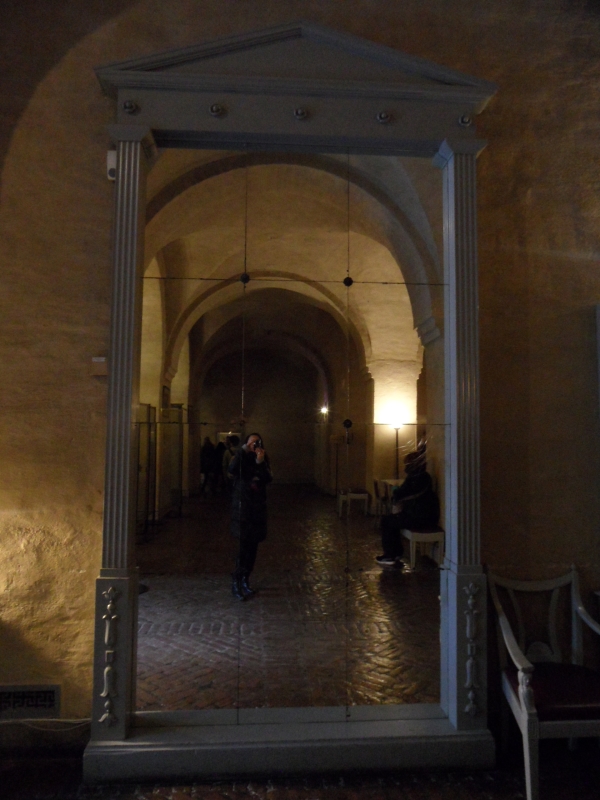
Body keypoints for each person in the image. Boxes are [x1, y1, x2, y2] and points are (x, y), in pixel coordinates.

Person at [375, 449, 440, 566]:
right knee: (390, 520)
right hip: (422, 514)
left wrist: (396, 493)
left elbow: (402, 493)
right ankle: (395, 553)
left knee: (387, 521)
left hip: (420, 517)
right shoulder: (423, 477)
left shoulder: (417, 478)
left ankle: (391, 554)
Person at [228, 432, 272, 599]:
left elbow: (268, 478)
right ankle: (237, 581)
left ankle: (246, 579)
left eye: (257, 442)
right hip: (242, 510)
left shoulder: (262, 460)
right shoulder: (241, 458)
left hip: (256, 511)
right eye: (251, 442)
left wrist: (260, 462)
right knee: (243, 549)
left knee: (253, 549)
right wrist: (243, 451)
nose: (254, 445)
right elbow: (232, 469)